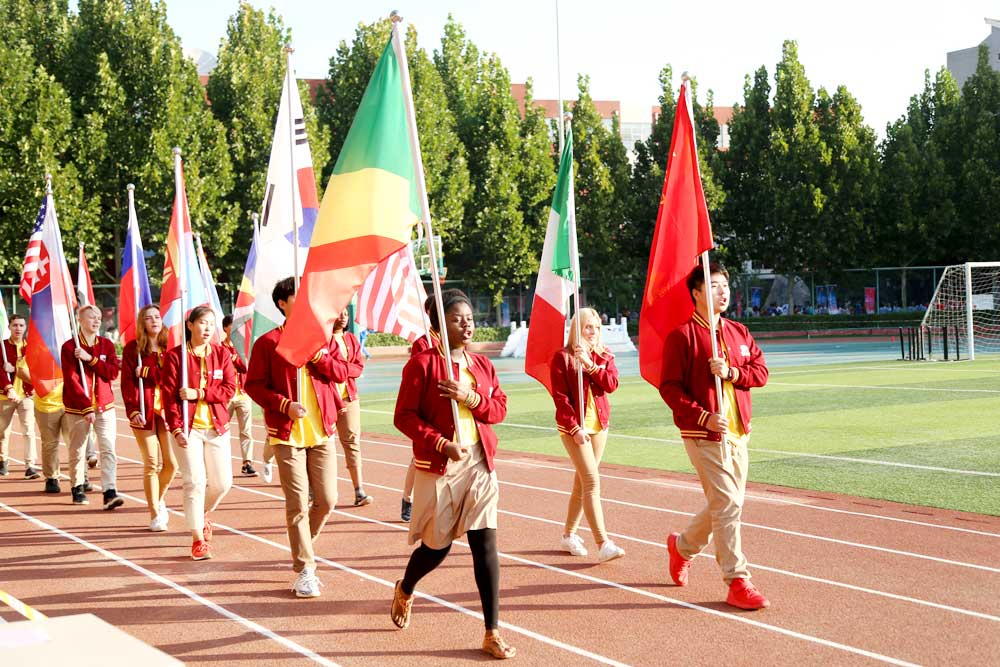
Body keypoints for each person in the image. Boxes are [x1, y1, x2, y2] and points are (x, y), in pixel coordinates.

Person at [390, 289, 515, 660]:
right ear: (440, 324)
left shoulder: (482, 366)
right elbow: (405, 417)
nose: (468, 324)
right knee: (436, 547)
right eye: (459, 318)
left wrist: (471, 398)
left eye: (470, 318)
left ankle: (492, 632)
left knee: (485, 544)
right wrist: (442, 443)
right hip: (442, 466)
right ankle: (406, 587)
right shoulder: (423, 365)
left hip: (479, 463)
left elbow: (499, 409)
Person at [659, 263, 771, 611]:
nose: (723, 292)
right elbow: (670, 388)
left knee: (724, 503)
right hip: (703, 435)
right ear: (696, 293)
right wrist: (703, 416)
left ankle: (682, 547)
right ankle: (737, 580)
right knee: (729, 503)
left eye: (725, 286)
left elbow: (761, 372)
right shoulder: (683, 336)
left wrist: (732, 371)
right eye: (714, 286)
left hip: (738, 434)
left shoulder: (738, 332)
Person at [245, 277, 345, 598]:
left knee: (327, 500)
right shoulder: (268, 342)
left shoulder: (323, 338)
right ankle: (305, 569)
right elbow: (254, 385)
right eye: (296, 297)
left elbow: (342, 373)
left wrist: (318, 356)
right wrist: (283, 405)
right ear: (282, 304)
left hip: (321, 432)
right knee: (298, 504)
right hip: (287, 434)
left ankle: (302, 545)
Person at [550, 307, 625, 562]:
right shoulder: (562, 357)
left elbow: (612, 385)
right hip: (575, 428)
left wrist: (591, 365)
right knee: (592, 482)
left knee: (581, 483)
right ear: (576, 330)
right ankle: (603, 543)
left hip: (599, 426)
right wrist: (574, 428)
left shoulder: (604, 355)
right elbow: (560, 399)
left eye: (596, 327)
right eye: (587, 327)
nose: (592, 332)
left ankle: (568, 535)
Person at [161, 306, 236, 560]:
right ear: (190, 324)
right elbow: (169, 398)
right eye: (202, 323)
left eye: (211, 323)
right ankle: (197, 539)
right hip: (188, 428)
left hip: (217, 428)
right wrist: (176, 428)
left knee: (223, 483)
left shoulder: (221, 354)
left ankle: (201, 512)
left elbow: (229, 389)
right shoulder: (175, 357)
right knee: (194, 482)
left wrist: (200, 394)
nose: (207, 328)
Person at [122, 305, 176, 531]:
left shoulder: (171, 348)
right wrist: (133, 409)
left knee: (171, 465)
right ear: (142, 323)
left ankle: (158, 498)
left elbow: (172, 377)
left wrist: (148, 372)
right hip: (143, 411)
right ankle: (155, 513)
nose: (154, 320)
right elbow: (127, 381)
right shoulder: (133, 349)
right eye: (148, 318)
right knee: (152, 463)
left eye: (157, 316)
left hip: (167, 411)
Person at [62, 304, 122, 509]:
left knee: (108, 448)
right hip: (78, 407)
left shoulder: (106, 345)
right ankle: (77, 486)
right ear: (80, 320)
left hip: (105, 405)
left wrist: (91, 359)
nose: (96, 321)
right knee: (78, 449)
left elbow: (112, 373)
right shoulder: (70, 347)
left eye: (98, 317)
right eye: (91, 317)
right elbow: (71, 380)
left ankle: (109, 491)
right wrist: (86, 407)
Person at [400, 295, 440, 522]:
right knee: (419, 458)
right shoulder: (422, 343)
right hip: (428, 408)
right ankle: (408, 498)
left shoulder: (452, 340)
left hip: (451, 406)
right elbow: (418, 376)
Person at [330, 308, 372, 506]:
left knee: (352, 442)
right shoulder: (322, 339)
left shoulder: (351, 340)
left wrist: (341, 370)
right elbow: (323, 367)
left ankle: (359, 490)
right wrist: (343, 370)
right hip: (326, 400)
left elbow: (358, 367)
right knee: (321, 445)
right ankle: (315, 489)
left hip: (349, 397)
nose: (344, 316)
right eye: (339, 312)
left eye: (346, 313)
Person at [0, 314, 39, 479]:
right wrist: (9, 388)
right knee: (3, 432)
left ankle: (30, 465)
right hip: (5, 396)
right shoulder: (1, 347)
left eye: (21, 325)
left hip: (26, 395)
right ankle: (3, 461)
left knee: (29, 431)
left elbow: (35, 371)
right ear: (9, 327)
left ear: (25, 328)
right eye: (15, 325)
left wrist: (14, 368)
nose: (18, 328)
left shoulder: (31, 347)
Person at [221, 314, 256, 477]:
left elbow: (247, 368)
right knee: (221, 430)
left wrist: (235, 357)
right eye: (232, 326)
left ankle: (247, 463)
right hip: (225, 396)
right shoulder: (219, 348)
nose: (236, 329)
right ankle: (221, 463)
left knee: (246, 431)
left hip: (242, 394)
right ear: (225, 328)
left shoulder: (243, 348)